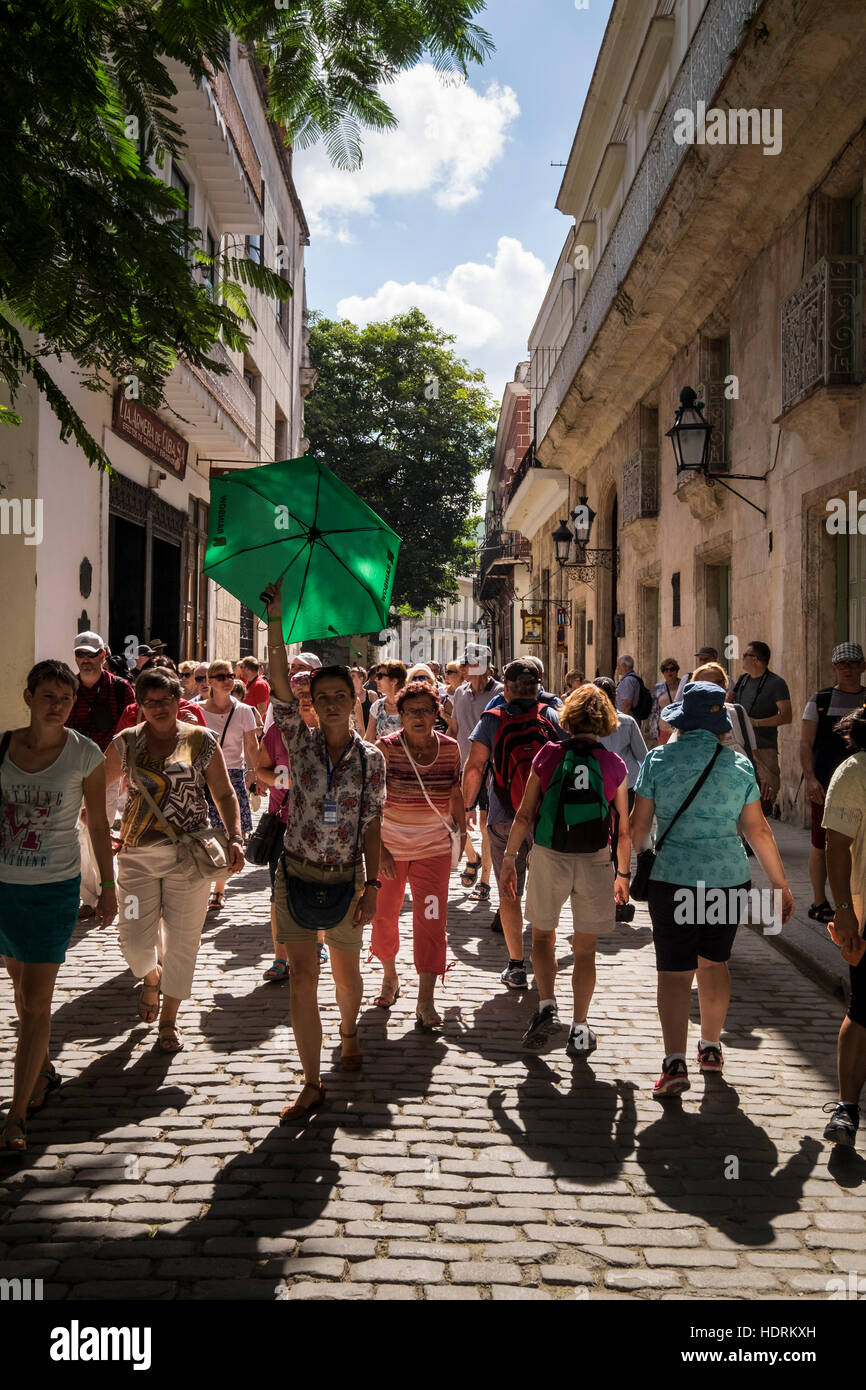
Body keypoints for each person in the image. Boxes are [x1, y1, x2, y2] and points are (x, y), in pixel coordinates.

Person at [630, 682, 794, 1098]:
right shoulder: (737, 766)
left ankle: (674, 1064)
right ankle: (711, 1048)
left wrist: (644, 855)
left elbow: (639, 827)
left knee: (674, 972)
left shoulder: (658, 760)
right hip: (726, 878)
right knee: (714, 964)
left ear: (683, 720)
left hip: (673, 879)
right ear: (721, 725)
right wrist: (779, 885)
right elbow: (758, 830)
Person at [263, 579, 386, 1122]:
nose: (332, 704)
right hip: (293, 873)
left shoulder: (371, 761)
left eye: (342, 696)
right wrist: (274, 622)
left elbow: (372, 826)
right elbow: (277, 687)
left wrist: (374, 886)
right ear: (313, 703)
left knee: (345, 972)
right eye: (322, 697)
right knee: (302, 979)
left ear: (355, 699)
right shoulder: (299, 741)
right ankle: (311, 1080)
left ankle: (350, 1030)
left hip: (345, 879)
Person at [0, 661, 116, 1152]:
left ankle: (17, 1115)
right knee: (20, 986)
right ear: (28, 698)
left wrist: (108, 885)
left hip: (53, 888)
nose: (57, 705)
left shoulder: (85, 755)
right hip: (5, 887)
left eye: (65, 699)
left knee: (34, 1004)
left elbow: (95, 824)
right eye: (48, 696)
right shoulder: (3, 747)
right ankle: (42, 1070)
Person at [104, 668, 244, 1053]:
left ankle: (169, 1018)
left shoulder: (200, 740)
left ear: (178, 700)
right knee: (133, 940)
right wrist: (95, 824)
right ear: (141, 705)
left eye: (166, 700)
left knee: (183, 942)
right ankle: (150, 976)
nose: (159, 708)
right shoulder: (127, 743)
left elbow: (224, 793)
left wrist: (235, 835)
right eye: (150, 703)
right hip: (136, 858)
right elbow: (93, 784)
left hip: (190, 858)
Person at [500, 683, 631, 1054]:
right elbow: (623, 829)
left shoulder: (548, 754)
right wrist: (623, 875)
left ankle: (546, 1005)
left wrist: (510, 858)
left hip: (549, 854)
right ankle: (580, 1026)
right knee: (585, 949)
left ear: (567, 718)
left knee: (543, 938)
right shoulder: (613, 764)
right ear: (606, 721)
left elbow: (525, 814)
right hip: (595, 859)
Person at [462, 659, 561, 990]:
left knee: (509, 890)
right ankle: (544, 955)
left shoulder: (492, 720)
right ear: (538, 686)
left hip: (505, 815)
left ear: (506, 688)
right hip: (546, 818)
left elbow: (475, 767)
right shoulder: (554, 717)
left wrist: (465, 806)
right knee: (545, 892)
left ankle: (516, 965)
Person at [370, 680, 465, 1026]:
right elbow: (369, 803)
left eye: (426, 710)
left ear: (437, 712)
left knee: (432, 922)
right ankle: (390, 974)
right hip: (390, 850)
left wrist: (464, 836)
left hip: (434, 851)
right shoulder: (385, 749)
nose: (419, 717)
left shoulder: (452, 749)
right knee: (383, 915)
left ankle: (426, 1000)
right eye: (412, 711)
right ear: (400, 714)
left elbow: (454, 792)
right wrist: (378, 849)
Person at [820, 705, 866, 1146]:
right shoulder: (854, 772)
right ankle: (847, 1107)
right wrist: (844, 910)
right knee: (863, 1009)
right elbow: (837, 845)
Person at [66, 630, 135, 920]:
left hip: (108, 770)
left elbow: (131, 733)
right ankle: (90, 896)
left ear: (103, 656)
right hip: (72, 770)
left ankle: (107, 890)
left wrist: (127, 773)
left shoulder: (120, 688)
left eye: (91, 654)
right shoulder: (67, 687)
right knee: (78, 835)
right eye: (80, 654)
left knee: (100, 829)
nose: (85, 660)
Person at [800, 643, 866, 924]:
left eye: (853, 663)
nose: (848, 669)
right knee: (822, 844)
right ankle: (819, 901)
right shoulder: (820, 699)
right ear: (834, 668)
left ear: (863, 666)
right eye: (842, 665)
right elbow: (805, 742)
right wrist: (811, 779)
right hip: (826, 785)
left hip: (861, 784)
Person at [200, 660, 259, 910]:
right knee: (203, 832)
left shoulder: (245, 711)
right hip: (202, 776)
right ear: (210, 682)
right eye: (221, 676)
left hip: (233, 775)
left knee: (228, 834)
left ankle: (219, 889)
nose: (228, 679)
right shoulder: (197, 710)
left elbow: (252, 746)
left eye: (230, 675)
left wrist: (255, 774)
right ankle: (203, 885)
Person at [448, 647, 502, 903]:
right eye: (465, 664)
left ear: (485, 666)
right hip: (463, 767)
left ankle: (484, 882)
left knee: (486, 825)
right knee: (455, 819)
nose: (466, 668)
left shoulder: (501, 693)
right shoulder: (459, 692)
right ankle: (472, 857)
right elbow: (454, 727)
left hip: (491, 768)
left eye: (471, 664)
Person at [726, 641, 791, 814]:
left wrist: (756, 723)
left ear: (754, 659)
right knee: (740, 800)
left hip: (764, 748)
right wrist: (728, 699)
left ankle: (760, 836)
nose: (742, 658)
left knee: (765, 800)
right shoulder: (743, 680)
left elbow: (786, 716)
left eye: (745, 655)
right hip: (740, 747)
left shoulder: (776, 683)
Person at [593, 676, 648, 810]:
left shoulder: (587, 723)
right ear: (615, 695)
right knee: (625, 826)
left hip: (598, 782)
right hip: (627, 782)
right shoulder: (628, 721)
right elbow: (642, 755)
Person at [365, 660, 406, 741]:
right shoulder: (377, 706)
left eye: (380, 676)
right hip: (384, 753)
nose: (376, 679)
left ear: (394, 681)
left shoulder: (410, 706)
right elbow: (368, 738)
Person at [649, 659, 681, 745]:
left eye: (672, 669)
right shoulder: (658, 688)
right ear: (663, 673)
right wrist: (653, 730)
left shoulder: (684, 686)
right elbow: (654, 710)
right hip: (663, 730)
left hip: (681, 731)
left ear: (676, 670)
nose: (669, 672)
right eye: (666, 670)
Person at [239, 657, 271, 721]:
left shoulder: (260, 685)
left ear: (247, 669)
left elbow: (262, 710)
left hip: (254, 727)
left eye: (242, 667)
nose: (240, 670)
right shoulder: (250, 682)